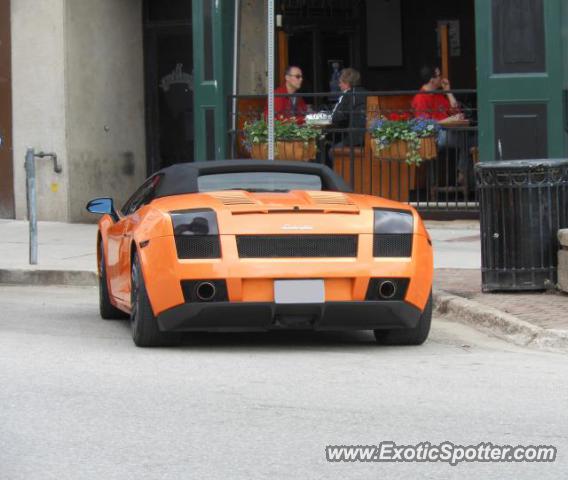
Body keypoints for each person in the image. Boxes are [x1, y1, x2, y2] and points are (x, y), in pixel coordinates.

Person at [411, 65, 470, 187]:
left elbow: (455, 110)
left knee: (470, 137)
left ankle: (463, 174)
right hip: (435, 137)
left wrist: (448, 91)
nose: (442, 78)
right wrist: (448, 120)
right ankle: (463, 173)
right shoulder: (420, 98)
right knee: (468, 139)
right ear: (432, 80)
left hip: (449, 132)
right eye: (439, 76)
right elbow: (424, 125)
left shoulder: (438, 95)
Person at [327, 68, 367, 167]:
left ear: (347, 83)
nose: (339, 85)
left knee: (331, 152)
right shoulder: (366, 93)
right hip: (366, 139)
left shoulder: (348, 94)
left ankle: (338, 178)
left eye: (340, 82)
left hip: (355, 140)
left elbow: (335, 117)